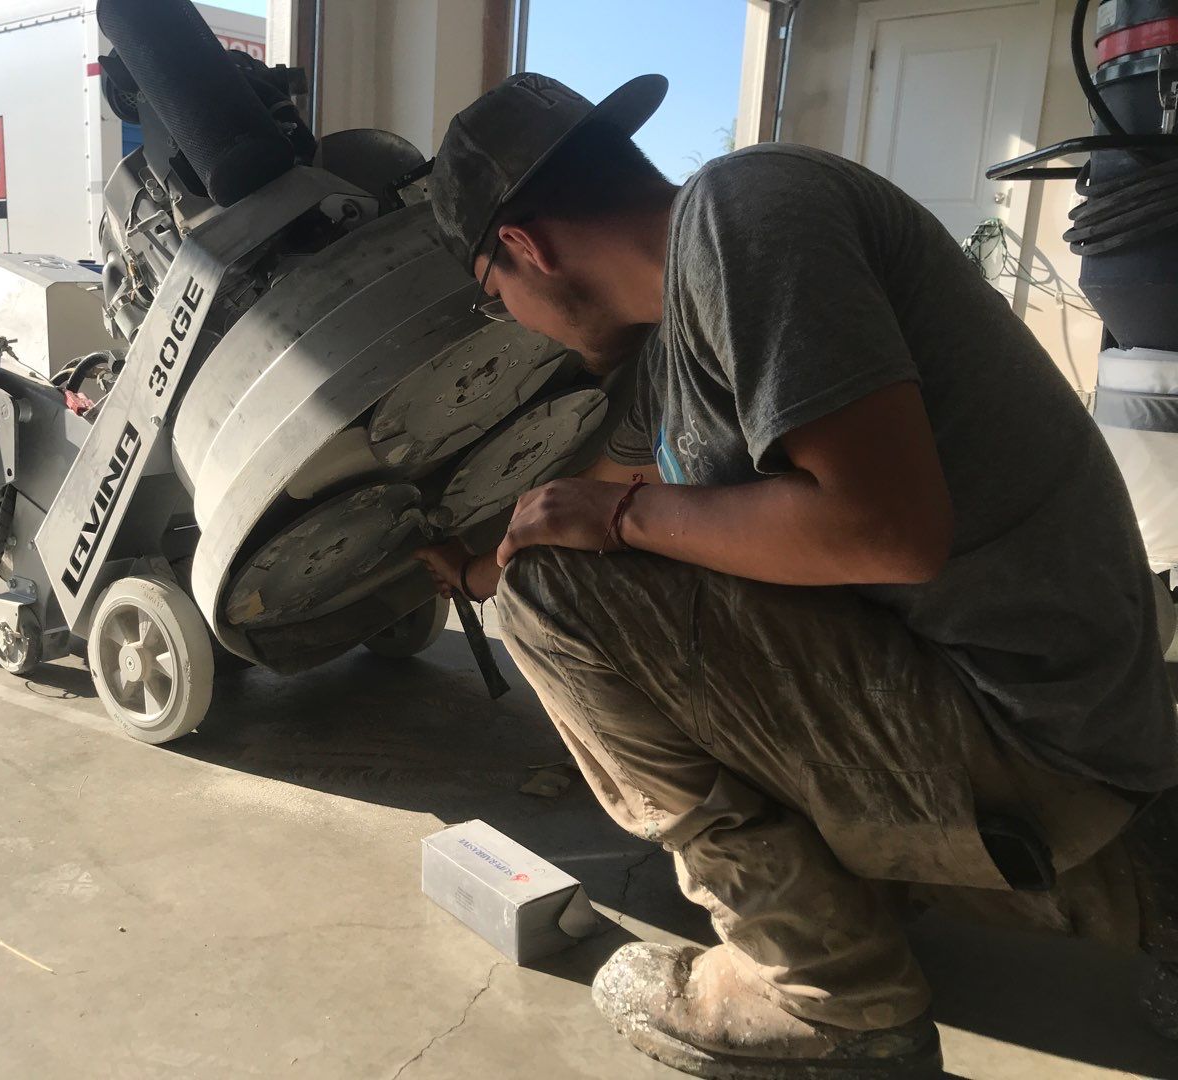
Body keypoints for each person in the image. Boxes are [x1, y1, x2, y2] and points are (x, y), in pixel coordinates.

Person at [414, 71, 1178, 1079]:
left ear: (524, 247)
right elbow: (584, 501)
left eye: (494, 295)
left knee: (554, 602)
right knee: (551, 570)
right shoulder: (675, 351)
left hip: (1037, 743)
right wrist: (469, 569)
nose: (514, 320)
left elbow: (885, 529)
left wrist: (613, 521)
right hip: (1075, 730)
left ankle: (827, 995)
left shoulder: (746, 212)